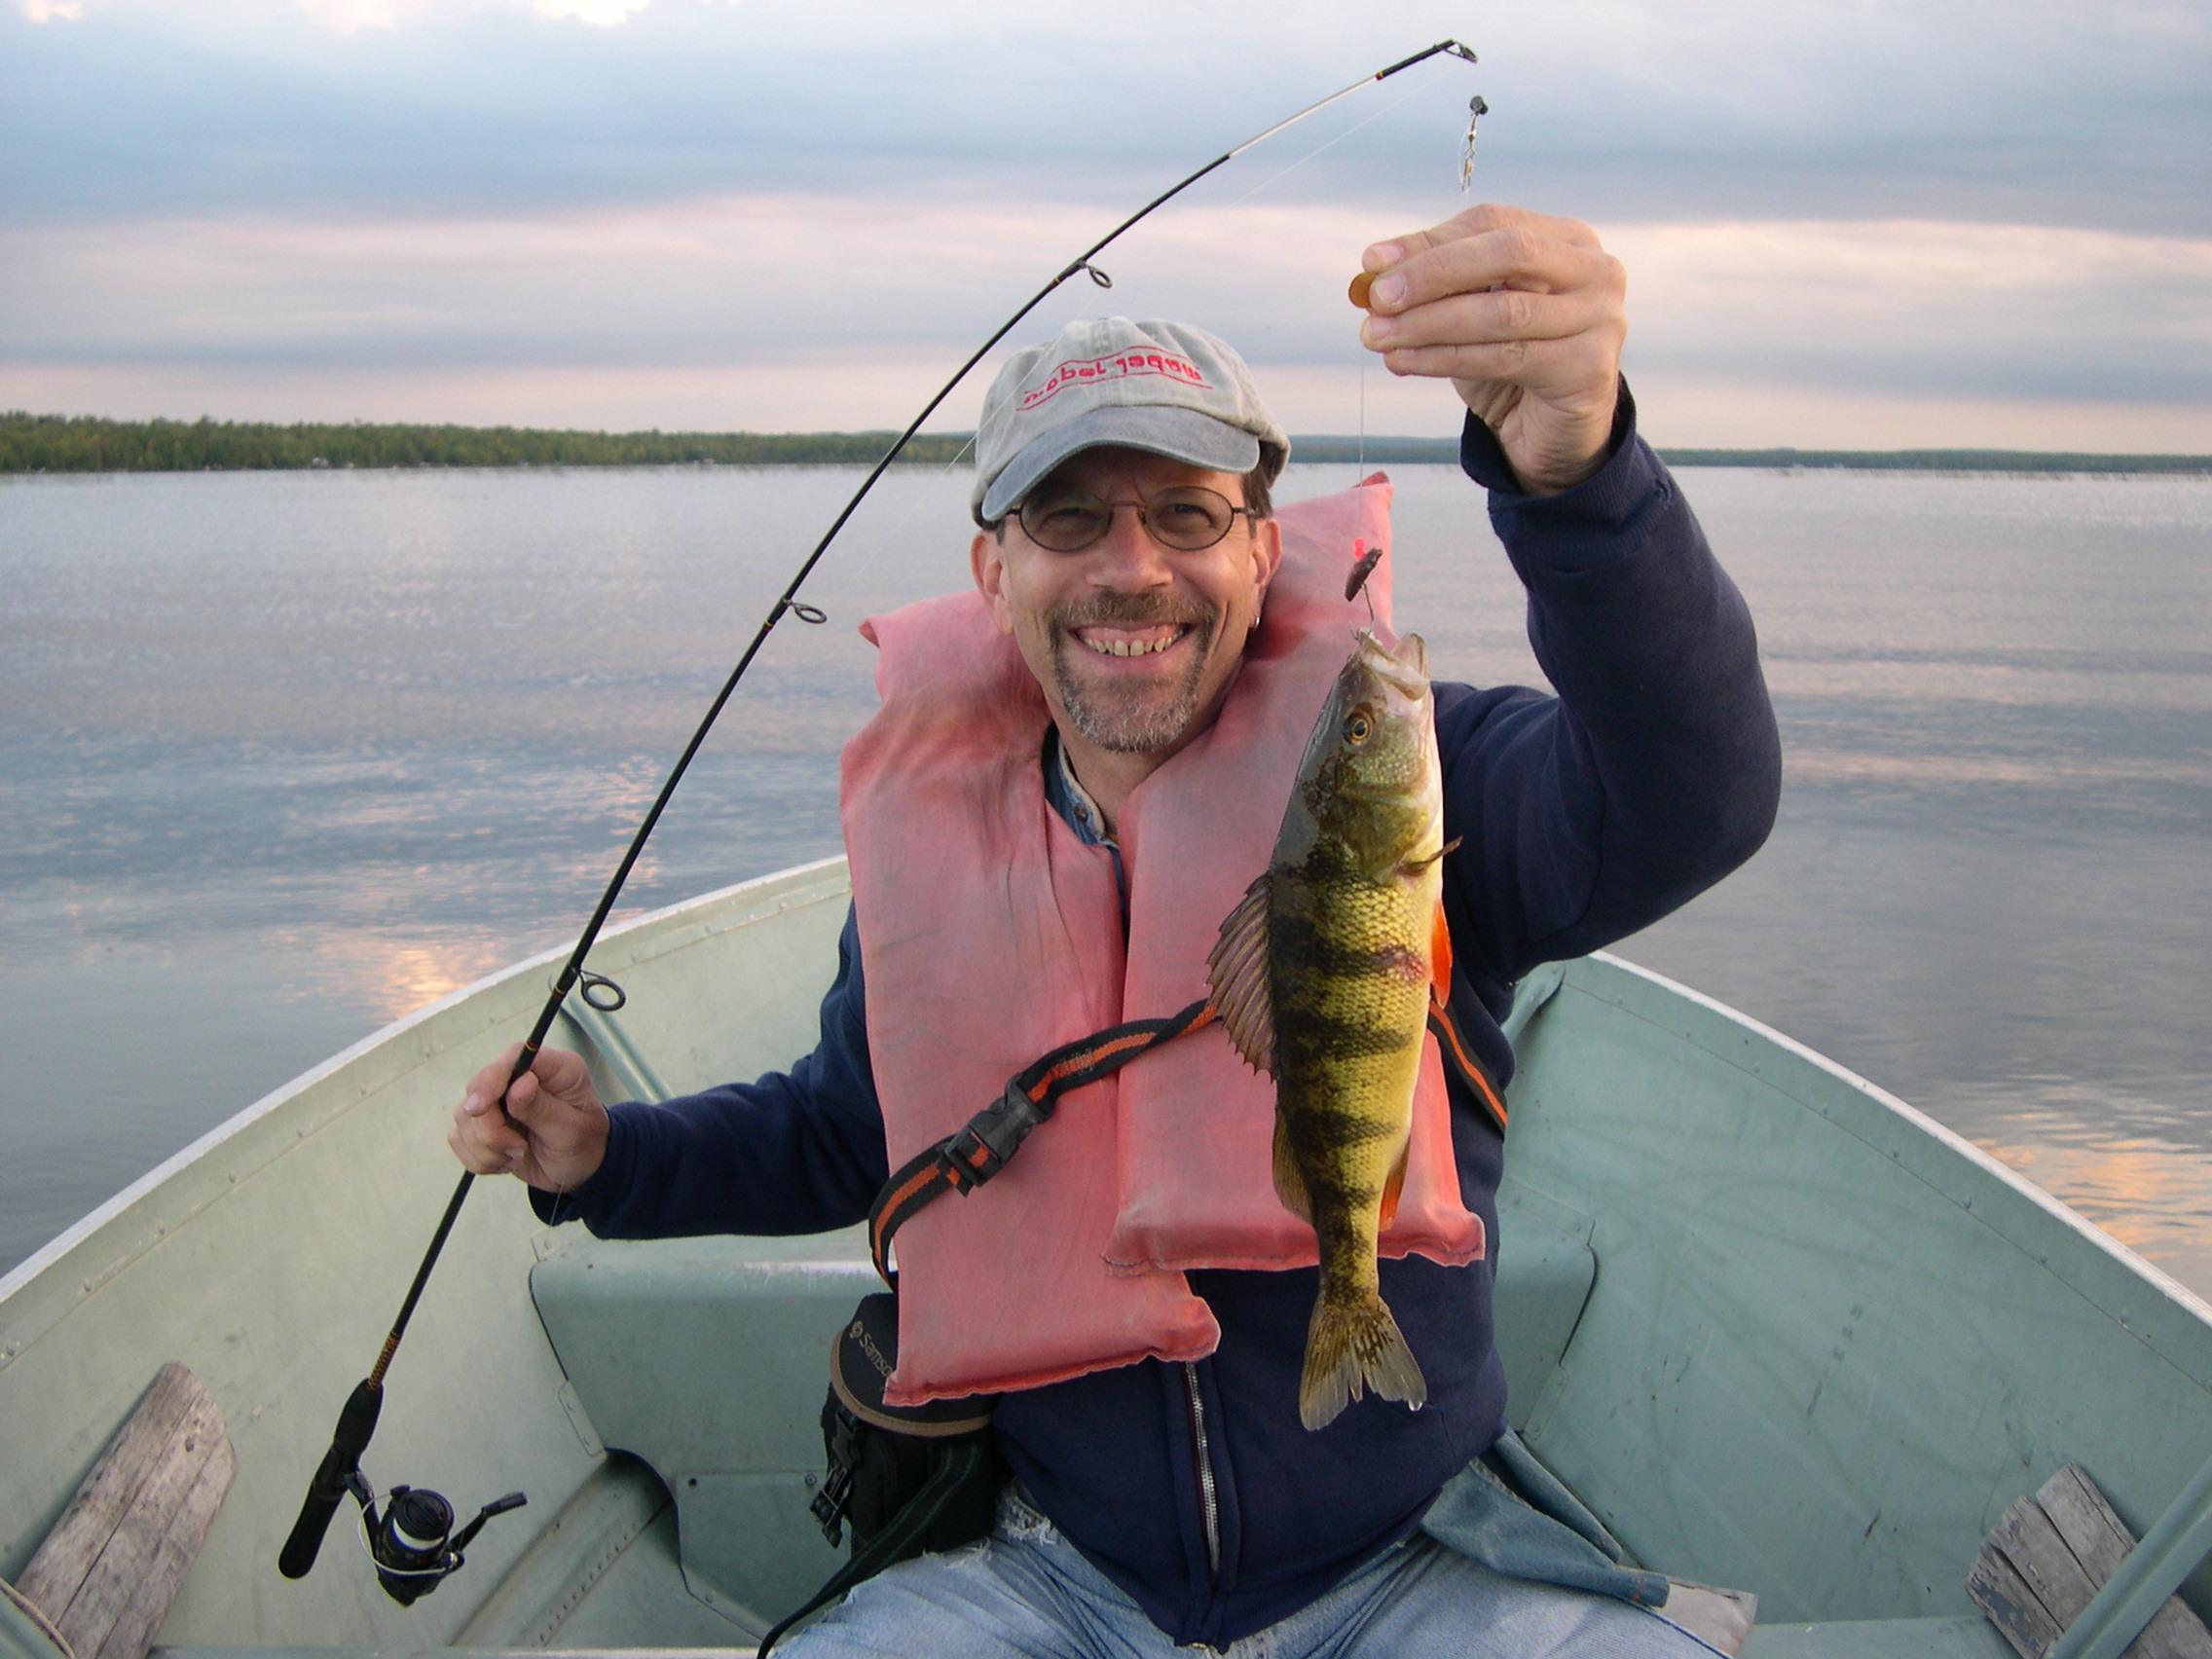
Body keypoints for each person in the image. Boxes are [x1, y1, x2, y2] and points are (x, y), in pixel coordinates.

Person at [449, 203, 1783, 1656]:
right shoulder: (943, 863)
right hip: (1044, 1577)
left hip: (1418, 1561)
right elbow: (847, 1134)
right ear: (994, 573)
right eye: (1069, 518)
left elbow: (1696, 797)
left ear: (1263, 547)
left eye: (1187, 513)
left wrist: (1580, 471)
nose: (1130, 567)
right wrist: (602, 1159)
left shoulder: (1414, 785)